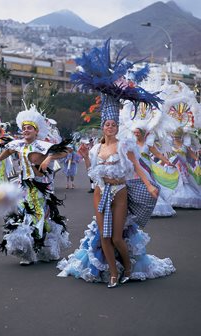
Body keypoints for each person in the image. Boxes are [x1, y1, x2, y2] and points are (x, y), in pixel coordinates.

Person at [57, 40, 175, 288]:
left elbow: (138, 167)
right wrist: (80, 152)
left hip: (120, 192)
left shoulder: (125, 146)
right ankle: (113, 272)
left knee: (119, 237)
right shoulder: (97, 148)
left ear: (117, 127)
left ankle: (128, 267)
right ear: (102, 127)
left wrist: (150, 186)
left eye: (113, 124)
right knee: (104, 236)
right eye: (106, 125)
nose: (110, 127)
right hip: (101, 191)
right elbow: (91, 170)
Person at [0, 105, 71, 265]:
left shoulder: (43, 145)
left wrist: (49, 158)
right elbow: (8, 150)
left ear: (36, 131)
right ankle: (26, 252)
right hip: (23, 188)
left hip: (41, 188)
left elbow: (66, 150)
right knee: (24, 216)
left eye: (29, 128)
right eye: (24, 128)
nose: (26, 130)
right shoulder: (18, 144)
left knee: (40, 219)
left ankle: (45, 247)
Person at [133, 127, 178, 217]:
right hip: (136, 168)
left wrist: (167, 162)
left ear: (142, 133)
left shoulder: (148, 144)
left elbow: (158, 154)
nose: (136, 134)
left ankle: (155, 205)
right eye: (135, 132)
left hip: (147, 168)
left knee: (149, 184)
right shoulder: (131, 144)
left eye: (138, 132)